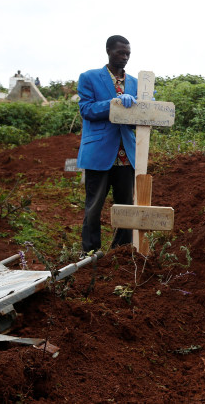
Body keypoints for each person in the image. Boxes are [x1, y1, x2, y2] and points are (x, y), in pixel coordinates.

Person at [77, 35, 138, 252]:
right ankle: (90, 252)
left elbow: (137, 120)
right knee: (94, 206)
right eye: (120, 52)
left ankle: (121, 250)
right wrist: (113, 104)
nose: (124, 57)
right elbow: (87, 110)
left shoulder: (135, 83)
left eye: (128, 53)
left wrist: (141, 110)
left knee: (126, 207)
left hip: (125, 154)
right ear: (108, 51)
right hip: (99, 153)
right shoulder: (89, 77)